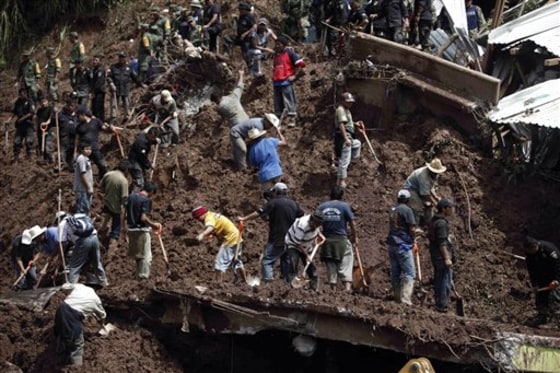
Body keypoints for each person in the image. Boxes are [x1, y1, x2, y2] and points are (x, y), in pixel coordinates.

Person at [238, 182, 304, 282]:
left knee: (267, 261)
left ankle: (268, 282)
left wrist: (244, 218)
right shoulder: (294, 204)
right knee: (285, 261)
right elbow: (301, 217)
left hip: (276, 238)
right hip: (291, 239)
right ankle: (287, 284)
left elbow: (259, 213)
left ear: (276, 192)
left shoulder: (274, 202)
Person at [193, 206, 249, 283]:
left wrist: (202, 234)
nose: (198, 220)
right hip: (237, 237)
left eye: (198, 218)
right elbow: (216, 227)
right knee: (237, 262)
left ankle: (218, 284)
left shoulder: (208, 218)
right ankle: (245, 282)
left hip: (230, 239)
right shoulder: (212, 215)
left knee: (219, 262)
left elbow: (211, 227)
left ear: (202, 214)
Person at [54, 283, 106, 366]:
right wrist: (103, 324)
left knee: (61, 331)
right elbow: (103, 315)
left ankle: (60, 350)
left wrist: (69, 294)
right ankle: (76, 367)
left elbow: (64, 286)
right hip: (72, 316)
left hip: (61, 309)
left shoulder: (80, 286)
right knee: (78, 343)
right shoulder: (96, 300)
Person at [318, 186, 357, 292]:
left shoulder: (322, 206)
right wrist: (355, 237)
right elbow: (352, 222)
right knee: (346, 261)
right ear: (341, 196)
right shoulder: (344, 206)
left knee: (331, 264)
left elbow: (315, 221)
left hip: (327, 240)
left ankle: (333, 290)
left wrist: (317, 236)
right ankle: (347, 288)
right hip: (341, 239)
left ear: (330, 195)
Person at [125, 182, 162, 279]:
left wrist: (123, 228)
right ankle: (144, 277)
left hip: (131, 229)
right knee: (146, 256)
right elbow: (143, 218)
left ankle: (138, 276)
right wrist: (154, 225)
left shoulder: (131, 196)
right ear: (151, 192)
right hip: (141, 230)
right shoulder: (146, 200)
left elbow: (123, 212)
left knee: (138, 256)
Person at [387, 189, 417, 304]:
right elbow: (412, 228)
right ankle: (405, 299)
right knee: (410, 273)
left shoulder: (392, 209)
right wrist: (413, 239)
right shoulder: (407, 210)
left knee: (395, 272)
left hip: (391, 244)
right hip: (403, 245)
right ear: (407, 200)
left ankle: (397, 297)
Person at [523, 236, 560, 327]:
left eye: (533, 249)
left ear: (536, 245)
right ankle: (542, 317)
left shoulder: (549, 250)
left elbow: (558, 265)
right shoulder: (529, 256)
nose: (532, 252)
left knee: (555, 297)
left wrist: (557, 280)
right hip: (542, 277)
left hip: (554, 276)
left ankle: (557, 319)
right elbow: (532, 271)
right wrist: (534, 284)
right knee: (541, 297)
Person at [284, 210, 326, 290]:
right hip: (293, 244)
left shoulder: (317, 224)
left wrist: (321, 236)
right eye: (316, 224)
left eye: (318, 225)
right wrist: (307, 255)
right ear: (311, 220)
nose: (316, 226)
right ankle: (290, 288)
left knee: (312, 268)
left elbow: (316, 231)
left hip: (306, 246)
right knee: (293, 264)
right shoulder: (302, 225)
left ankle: (314, 289)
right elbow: (297, 243)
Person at [427, 198, 454, 313]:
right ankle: (442, 306)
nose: (452, 210)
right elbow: (442, 243)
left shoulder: (434, 220)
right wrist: (447, 258)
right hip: (441, 257)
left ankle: (439, 304)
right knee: (444, 281)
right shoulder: (442, 224)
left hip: (435, 256)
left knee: (439, 280)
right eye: (450, 207)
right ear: (444, 209)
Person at [272, 35, 305, 127]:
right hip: (277, 82)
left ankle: (292, 117)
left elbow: (300, 64)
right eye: (276, 44)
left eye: (279, 44)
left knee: (289, 99)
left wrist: (294, 76)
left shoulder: (290, 53)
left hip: (286, 81)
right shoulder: (276, 55)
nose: (277, 46)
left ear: (284, 45)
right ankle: (278, 118)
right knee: (277, 101)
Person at [402, 158, 446, 227]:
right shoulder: (423, 176)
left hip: (420, 189)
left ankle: (428, 223)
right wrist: (436, 204)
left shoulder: (433, 175)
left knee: (429, 204)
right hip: (410, 189)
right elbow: (425, 194)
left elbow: (430, 188)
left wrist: (436, 197)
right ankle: (414, 227)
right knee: (416, 206)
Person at [74, 106, 114, 178]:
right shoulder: (79, 127)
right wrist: (75, 151)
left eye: (78, 116)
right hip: (83, 150)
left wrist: (110, 128)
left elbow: (105, 129)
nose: (77, 118)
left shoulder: (96, 121)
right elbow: (76, 139)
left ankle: (103, 179)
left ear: (83, 114)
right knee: (83, 167)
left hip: (94, 148)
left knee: (102, 165)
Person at [107, 51, 146, 124]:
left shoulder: (129, 68)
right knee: (114, 104)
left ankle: (127, 117)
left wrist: (141, 84)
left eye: (123, 57)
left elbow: (135, 78)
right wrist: (111, 83)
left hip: (125, 88)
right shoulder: (113, 67)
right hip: (115, 88)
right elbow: (109, 76)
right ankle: (114, 118)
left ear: (125, 58)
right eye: (120, 57)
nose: (122, 59)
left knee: (127, 104)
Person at [334, 92, 363, 188]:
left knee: (357, 144)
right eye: (348, 102)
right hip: (344, 138)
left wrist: (356, 124)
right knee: (344, 160)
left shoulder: (346, 110)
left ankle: (343, 167)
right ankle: (340, 181)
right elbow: (341, 125)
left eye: (351, 102)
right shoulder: (341, 110)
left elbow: (348, 122)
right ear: (343, 101)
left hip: (350, 137)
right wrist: (346, 139)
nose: (350, 104)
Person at [101, 160, 130, 251]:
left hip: (107, 202)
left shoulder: (108, 174)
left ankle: (102, 230)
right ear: (126, 170)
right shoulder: (123, 181)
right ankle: (112, 246)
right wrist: (124, 210)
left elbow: (101, 186)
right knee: (115, 228)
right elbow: (124, 198)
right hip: (116, 207)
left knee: (107, 216)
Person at [11, 226, 45, 290]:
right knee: (21, 276)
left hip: (29, 258)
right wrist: (23, 269)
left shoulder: (34, 240)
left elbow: (39, 252)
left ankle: (31, 286)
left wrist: (33, 261)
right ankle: (21, 289)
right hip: (18, 260)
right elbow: (18, 258)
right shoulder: (17, 242)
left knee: (33, 276)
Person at [11, 88, 36, 160]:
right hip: (20, 125)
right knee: (16, 141)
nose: (22, 95)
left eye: (24, 94)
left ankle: (29, 156)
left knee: (29, 141)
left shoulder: (30, 101)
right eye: (21, 94)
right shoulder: (17, 102)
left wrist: (22, 118)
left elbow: (31, 113)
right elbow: (14, 112)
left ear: (26, 94)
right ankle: (16, 156)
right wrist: (9, 120)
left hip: (28, 124)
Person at [56, 99, 78, 170]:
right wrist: (54, 113)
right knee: (64, 149)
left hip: (75, 136)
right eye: (69, 105)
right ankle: (62, 163)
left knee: (73, 151)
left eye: (72, 106)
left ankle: (72, 165)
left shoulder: (78, 115)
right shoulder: (61, 114)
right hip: (64, 135)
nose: (70, 107)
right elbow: (55, 120)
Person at [73, 142, 93, 215]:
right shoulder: (81, 159)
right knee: (82, 209)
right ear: (82, 150)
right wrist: (88, 187)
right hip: (82, 189)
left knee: (86, 208)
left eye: (90, 149)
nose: (88, 151)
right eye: (86, 149)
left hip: (84, 189)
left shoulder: (86, 159)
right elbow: (83, 174)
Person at [35, 95, 55, 163]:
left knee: (48, 145)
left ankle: (51, 159)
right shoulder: (39, 110)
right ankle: (44, 159)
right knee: (41, 144)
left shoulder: (50, 109)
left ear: (47, 102)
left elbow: (50, 117)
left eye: (45, 101)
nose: (43, 103)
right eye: (41, 102)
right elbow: (37, 119)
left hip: (48, 129)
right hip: (40, 130)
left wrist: (46, 123)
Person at [88, 55, 106, 122]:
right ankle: (95, 122)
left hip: (99, 92)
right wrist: (90, 91)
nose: (94, 62)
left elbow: (99, 83)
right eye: (93, 60)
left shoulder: (100, 70)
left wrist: (93, 92)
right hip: (94, 92)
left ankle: (100, 122)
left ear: (99, 61)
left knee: (99, 108)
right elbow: (91, 82)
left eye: (96, 60)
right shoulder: (93, 70)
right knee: (94, 108)